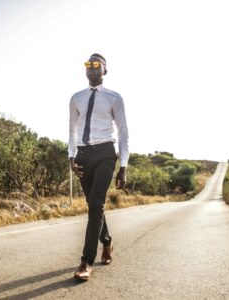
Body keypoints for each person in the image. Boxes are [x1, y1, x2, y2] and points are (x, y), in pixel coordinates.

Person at [68, 53, 129, 281]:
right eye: (87, 64)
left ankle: (86, 262)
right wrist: (71, 156)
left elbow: (123, 133)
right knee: (94, 207)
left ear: (105, 70)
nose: (90, 68)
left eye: (96, 65)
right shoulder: (76, 98)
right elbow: (72, 131)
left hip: (105, 153)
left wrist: (123, 165)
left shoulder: (114, 98)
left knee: (95, 204)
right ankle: (107, 241)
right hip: (83, 155)